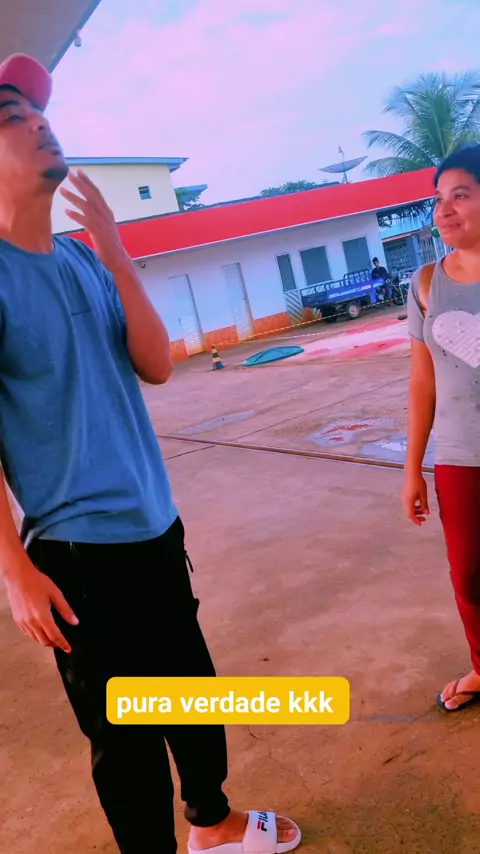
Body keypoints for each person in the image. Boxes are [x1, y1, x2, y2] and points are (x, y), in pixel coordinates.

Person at [0, 53, 301, 854]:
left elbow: (157, 363)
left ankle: (214, 824)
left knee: (189, 693)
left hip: (154, 525)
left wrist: (113, 248)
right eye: (10, 117)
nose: (37, 123)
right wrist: (14, 570)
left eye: (38, 111)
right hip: (76, 556)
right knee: (126, 740)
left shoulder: (80, 260)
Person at [402, 142, 480, 713]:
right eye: (438, 199)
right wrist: (412, 469)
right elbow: (421, 382)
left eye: (461, 195)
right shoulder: (426, 282)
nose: (445, 210)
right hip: (458, 456)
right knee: (470, 576)